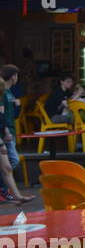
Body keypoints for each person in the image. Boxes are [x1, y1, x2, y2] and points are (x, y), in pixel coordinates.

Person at [0, 65, 33, 203]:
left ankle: (16, 195)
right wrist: (5, 131)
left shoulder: (8, 93)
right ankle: (6, 190)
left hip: (5, 131)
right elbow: (1, 115)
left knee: (8, 166)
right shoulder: (4, 93)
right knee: (11, 162)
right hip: (4, 132)